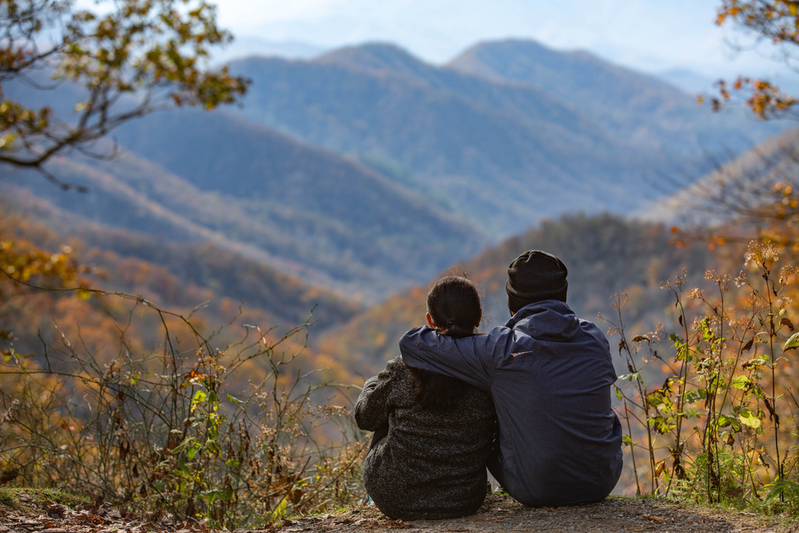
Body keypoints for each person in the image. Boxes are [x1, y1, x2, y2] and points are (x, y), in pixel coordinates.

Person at [399, 251, 623, 507]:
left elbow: (412, 343)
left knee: (497, 393)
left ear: (511, 303)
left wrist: (464, 336)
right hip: (602, 480)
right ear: (563, 296)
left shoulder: (501, 349)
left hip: (535, 488)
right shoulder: (594, 337)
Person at [354, 276, 497, 520]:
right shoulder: (491, 371)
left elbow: (364, 418)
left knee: (385, 410)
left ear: (430, 320)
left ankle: (370, 500)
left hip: (394, 497)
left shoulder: (403, 369)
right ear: (478, 316)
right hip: (463, 499)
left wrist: (372, 384)